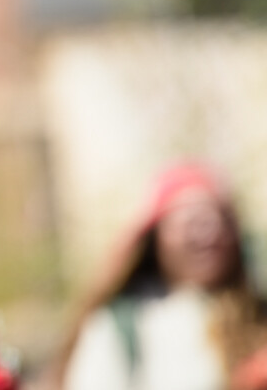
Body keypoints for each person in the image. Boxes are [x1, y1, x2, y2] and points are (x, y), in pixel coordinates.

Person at [55, 164, 267, 390]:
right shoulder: (122, 324)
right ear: (156, 237)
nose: (210, 234)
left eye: (221, 220)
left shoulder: (257, 314)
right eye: (193, 222)